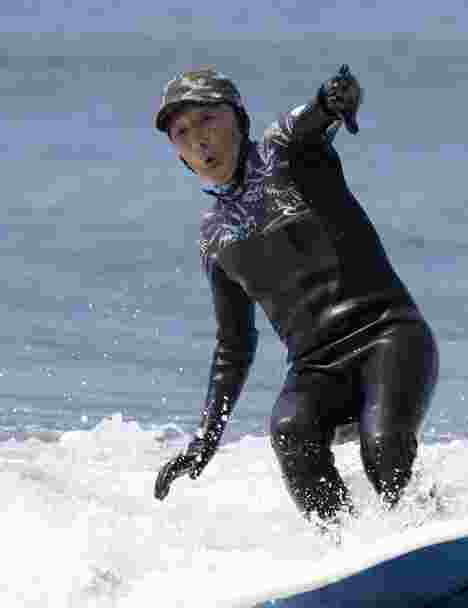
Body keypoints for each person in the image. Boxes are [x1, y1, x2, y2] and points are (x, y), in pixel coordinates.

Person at [151, 65, 439, 532]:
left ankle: (428, 530)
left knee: (383, 448)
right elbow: (234, 346)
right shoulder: (214, 238)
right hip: (318, 369)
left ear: (237, 119)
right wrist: (205, 438)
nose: (197, 139)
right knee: (290, 429)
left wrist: (336, 98)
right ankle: (347, 552)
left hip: (388, 337)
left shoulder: (284, 150)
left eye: (207, 120)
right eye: (181, 133)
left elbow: (318, 112)